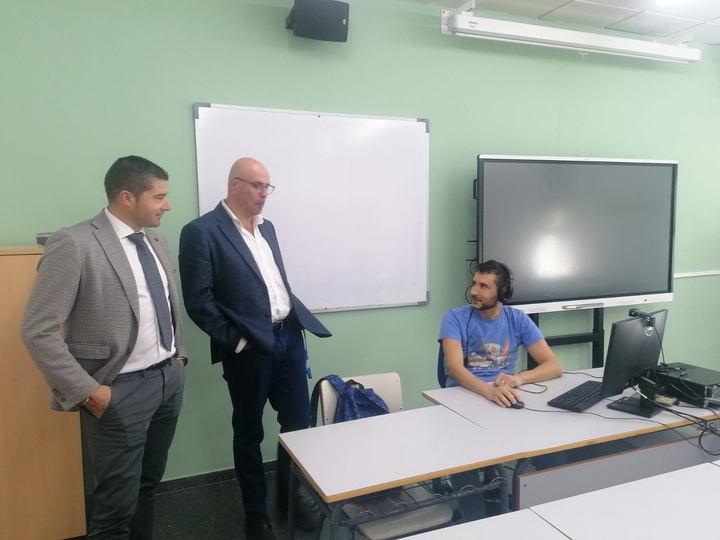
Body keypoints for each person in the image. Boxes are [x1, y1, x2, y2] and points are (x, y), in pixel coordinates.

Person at [21, 156, 187, 540]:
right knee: (114, 507)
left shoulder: (156, 241)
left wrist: (177, 359)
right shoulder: (75, 243)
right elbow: (37, 330)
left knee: (148, 486)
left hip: (167, 382)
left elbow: (163, 307)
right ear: (127, 197)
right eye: (159, 196)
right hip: (117, 393)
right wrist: (89, 392)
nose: (168, 205)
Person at [178, 157, 331, 540]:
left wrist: (292, 327)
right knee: (248, 432)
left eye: (268, 187)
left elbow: (273, 283)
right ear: (234, 185)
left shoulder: (269, 228)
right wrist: (239, 341)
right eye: (257, 186)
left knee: (298, 426)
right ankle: (256, 514)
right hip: (249, 348)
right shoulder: (201, 232)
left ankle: (289, 498)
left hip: (289, 338)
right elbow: (199, 301)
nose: (265, 194)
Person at [438, 259, 562, 521]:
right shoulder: (454, 318)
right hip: (464, 399)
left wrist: (518, 379)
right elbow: (454, 369)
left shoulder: (517, 319)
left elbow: (553, 366)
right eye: (474, 283)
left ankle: (528, 511)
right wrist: (487, 391)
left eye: (483, 286)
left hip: (504, 400)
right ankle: (476, 524)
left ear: (501, 292)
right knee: (466, 459)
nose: (474, 291)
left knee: (547, 445)